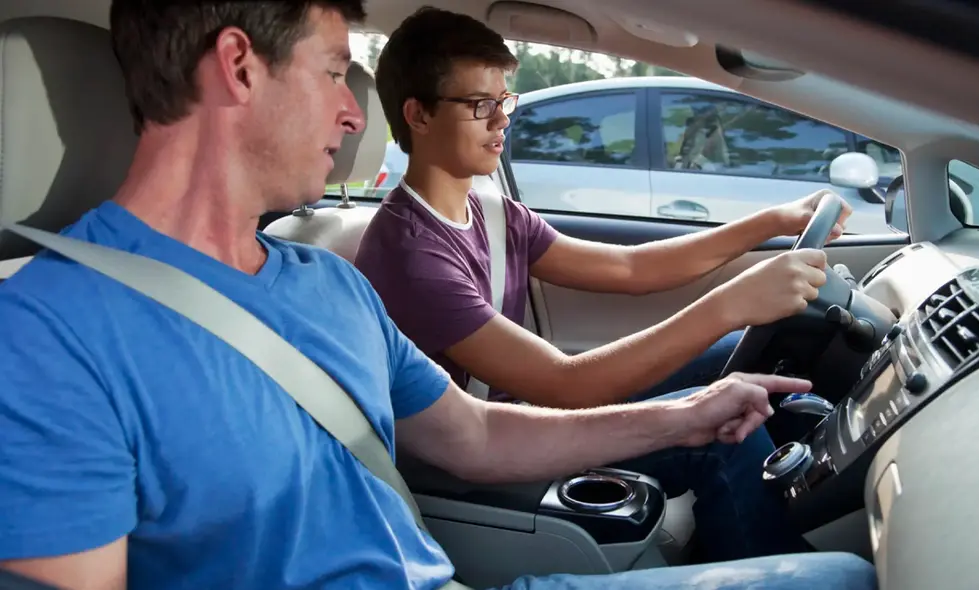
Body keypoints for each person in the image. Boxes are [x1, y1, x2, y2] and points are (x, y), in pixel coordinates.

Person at [0, 1, 875, 589]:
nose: (354, 115)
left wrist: (688, 415)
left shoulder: (326, 282)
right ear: (238, 65)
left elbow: (479, 433)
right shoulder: (42, 335)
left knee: (844, 578)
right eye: (336, 72)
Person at [355, 6, 854, 563]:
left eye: (504, 100)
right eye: (479, 106)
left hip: (525, 417)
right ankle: (782, 570)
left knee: (732, 357)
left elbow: (629, 268)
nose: (502, 120)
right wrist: (731, 303)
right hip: (481, 459)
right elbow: (564, 384)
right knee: (720, 434)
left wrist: (774, 221)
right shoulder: (410, 254)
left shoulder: (492, 213)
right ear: (418, 115)